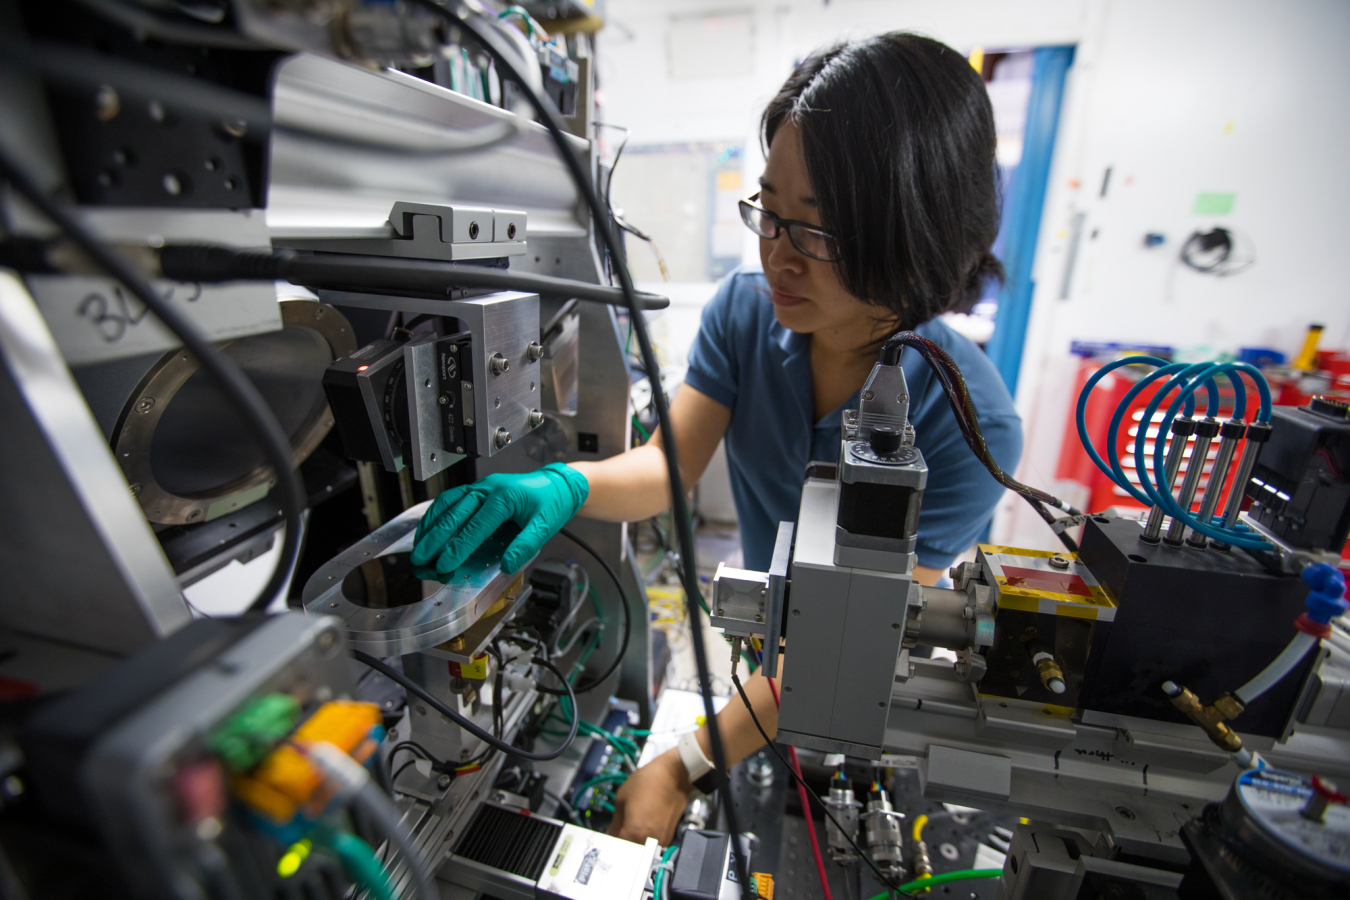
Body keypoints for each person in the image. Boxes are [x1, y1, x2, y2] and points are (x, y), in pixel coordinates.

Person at [411, 32, 1022, 845]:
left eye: (817, 231)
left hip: (842, 692)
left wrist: (679, 764)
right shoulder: (746, 312)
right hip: (766, 656)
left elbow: (845, 648)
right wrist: (565, 486)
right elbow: (671, 463)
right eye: (770, 210)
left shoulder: (969, 422)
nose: (777, 254)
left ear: (914, 235)